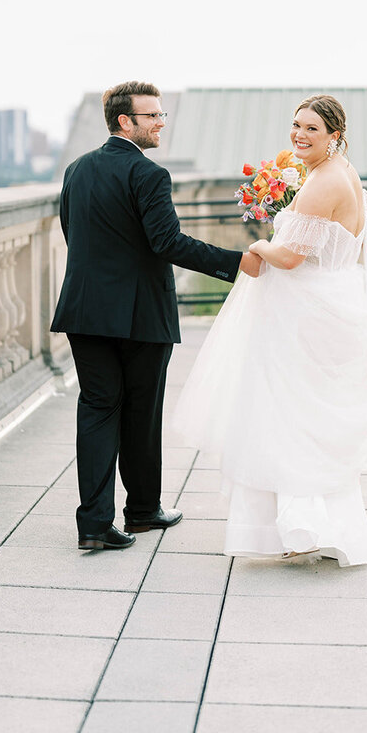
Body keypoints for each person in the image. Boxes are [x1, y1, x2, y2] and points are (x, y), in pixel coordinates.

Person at [173, 94, 367, 565]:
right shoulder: (344, 173)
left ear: (335, 135)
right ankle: (318, 524)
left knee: (290, 416)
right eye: (296, 126)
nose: (299, 135)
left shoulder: (322, 183)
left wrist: (259, 242)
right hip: (333, 300)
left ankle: (301, 526)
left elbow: (290, 258)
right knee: (310, 418)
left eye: (312, 128)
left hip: (308, 312)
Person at [51, 80, 262, 551]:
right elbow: (166, 242)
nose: (161, 123)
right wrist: (235, 262)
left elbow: (74, 232)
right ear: (126, 121)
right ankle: (142, 511)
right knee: (142, 412)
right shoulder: (149, 175)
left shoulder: (76, 170)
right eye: (153, 117)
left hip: (84, 310)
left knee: (98, 409)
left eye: (163, 115)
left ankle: (94, 524)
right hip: (141, 314)